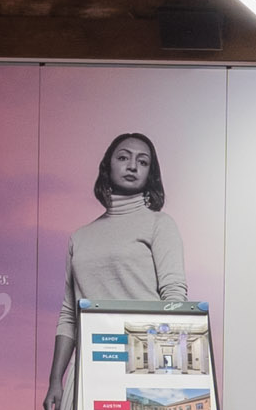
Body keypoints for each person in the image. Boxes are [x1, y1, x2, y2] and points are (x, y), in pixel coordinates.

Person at [67, 131, 184, 314]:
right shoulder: (79, 237)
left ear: (149, 174)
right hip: (91, 340)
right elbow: (69, 313)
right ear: (108, 167)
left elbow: (174, 295)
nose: (132, 166)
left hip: (145, 339)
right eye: (123, 158)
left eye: (143, 162)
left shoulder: (159, 224)